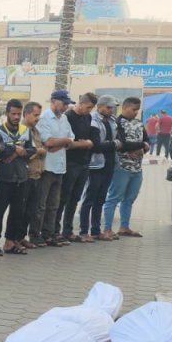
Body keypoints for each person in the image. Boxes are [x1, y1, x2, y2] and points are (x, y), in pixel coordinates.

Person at [0, 99, 35, 255]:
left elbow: (31, 150)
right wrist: (16, 149)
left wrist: (15, 152)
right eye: (13, 114)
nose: (16, 117)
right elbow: (0, 151)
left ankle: (10, 242)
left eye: (18, 114)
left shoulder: (25, 130)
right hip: (4, 178)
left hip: (21, 178)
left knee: (17, 212)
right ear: (7, 114)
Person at [32, 90, 74, 247]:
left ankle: (49, 234)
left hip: (60, 167)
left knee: (54, 205)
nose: (65, 107)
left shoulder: (64, 119)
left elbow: (72, 138)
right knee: (41, 205)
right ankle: (35, 234)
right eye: (64, 103)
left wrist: (61, 142)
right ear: (54, 101)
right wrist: (64, 142)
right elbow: (48, 142)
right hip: (47, 167)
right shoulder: (44, 118)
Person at [78, 95, 122, 242]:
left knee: (100, 199)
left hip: (109, 164)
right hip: (96, 165)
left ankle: (96, 231)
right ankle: (84, 231)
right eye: (108, 107)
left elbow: (120, 140)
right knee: (89, 199)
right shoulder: (93, 120)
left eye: (112, 108)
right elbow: (96, 145)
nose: (111, 110)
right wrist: (114, 144)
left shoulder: (113, 121)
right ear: (100, 106)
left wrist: (113, 143)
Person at [102, 97, 147, 238]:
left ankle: (124, 227)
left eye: (137, 110)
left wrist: (143, 149)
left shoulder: (139, 123)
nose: (135, 112)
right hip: (121, 167)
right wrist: (139, 146)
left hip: (137, 168)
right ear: (125, 107)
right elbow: (123, 144)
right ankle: (107, 229)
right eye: (134, 109)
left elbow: (147, 141)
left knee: (129, 199)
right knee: (113, 198)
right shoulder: (116, 123)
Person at [59, 92, 97, 243]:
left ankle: (67, 230)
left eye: (91, 108)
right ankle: (56, 230)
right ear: (80, 103)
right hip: (70, 162)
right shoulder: (68, 117)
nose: (89, 111)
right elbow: (68, 142)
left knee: (75, 198)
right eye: (87, 107)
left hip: (84, 162)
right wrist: (84, 143)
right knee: (63, 197)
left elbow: (90, 139)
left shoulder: (87, 117)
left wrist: (85, 142)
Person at [19, 101, 48, 247]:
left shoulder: (35, 131)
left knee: (32, 209)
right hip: (25, 175)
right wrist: (38, 151)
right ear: (26, 114)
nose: (38, 118)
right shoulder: (21, 130)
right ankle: (17, 238)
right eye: (35, 115)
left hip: (37, 174)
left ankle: (23, 237)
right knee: (21, 210)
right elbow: (22, 153)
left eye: (39, 115)